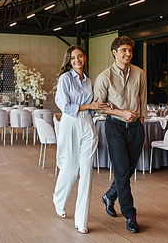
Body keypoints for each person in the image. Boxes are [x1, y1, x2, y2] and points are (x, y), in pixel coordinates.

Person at [93, 36, 147, 233]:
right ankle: (130, 215)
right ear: (114, 52)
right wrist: (121, 112)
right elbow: (98, 108)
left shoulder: (140, 74)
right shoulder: (104, 77)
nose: (128, 54)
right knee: (122, 173)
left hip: (136, 129)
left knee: (128, 171)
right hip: (115, 127)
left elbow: (143, 101)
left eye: (130, 51)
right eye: (124, 50)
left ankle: (109, 196)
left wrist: (141, 124)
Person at [53, 45, 108, 234]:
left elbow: (91, 108)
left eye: (80, 56)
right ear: (69, 60)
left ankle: (81, 220)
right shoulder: (65, 79)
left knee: (86, 173)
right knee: (70, 170)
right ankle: (59, 201)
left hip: (88, 125)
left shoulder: (89, 82)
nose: (77, 60)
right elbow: (65, 106)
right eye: (73, 57)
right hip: (70, 124)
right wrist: (88, 105)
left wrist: (99, 106)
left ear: (85, 58)